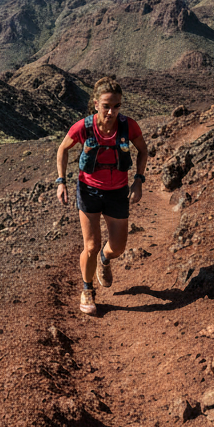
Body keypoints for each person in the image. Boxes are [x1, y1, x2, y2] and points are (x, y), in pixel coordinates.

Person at [55, 76, 148, 315]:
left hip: (117, 191)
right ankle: (87, 289)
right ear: (96, 104)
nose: (111, 111)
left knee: (117, 246)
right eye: (106, 106)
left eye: (116, 106)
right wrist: (61, 181)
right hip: (89, 190)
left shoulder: (129, 126)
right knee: (91, 244)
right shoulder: (84, 127)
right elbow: (63, 149)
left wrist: (138, 179)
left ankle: (105, 261)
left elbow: (143, 149)